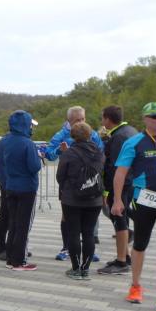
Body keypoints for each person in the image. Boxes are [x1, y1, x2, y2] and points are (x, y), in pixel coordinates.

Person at [111, 102, 156, 310]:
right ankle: (135, 286)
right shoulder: (134, 142)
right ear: (145, 119)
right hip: (144, 199)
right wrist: (117, 200)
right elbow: (120, 173)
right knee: (140, 244)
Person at [43, 106, 104, 261]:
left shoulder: (93, 134)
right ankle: (66, 248)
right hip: (70, 183)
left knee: (90, 217)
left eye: (83, 119)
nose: (81, 122)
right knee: (67, 216)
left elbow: (102, 153)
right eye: (77, 120)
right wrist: (60, 151)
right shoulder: (61, 135)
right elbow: (49, 154)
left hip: (90, 181)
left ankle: (89, 250)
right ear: (69, 120)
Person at [56, 123, 105, 279]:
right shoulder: (99, 152)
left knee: (74, 233)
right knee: (89, 233)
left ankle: (76, 268)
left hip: (72, 199)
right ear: (90, 135)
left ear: (72, 136)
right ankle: (86, 268)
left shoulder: (69, 153)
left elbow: (60, 177)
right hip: (94, 199)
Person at [0, 110, 41, 271]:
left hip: (10, 186)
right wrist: (38, 157)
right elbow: (34, 167)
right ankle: (19, 261)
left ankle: (10, 257)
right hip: (26, 187)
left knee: (12, 223)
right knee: (23, 225)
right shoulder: (28, 143)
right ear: (25, 125)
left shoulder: (5, 141)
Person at [97, 105, 137, 275]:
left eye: (102, 118)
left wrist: (108, 192)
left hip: (121, 185)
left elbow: (114, 167)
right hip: (131, 182)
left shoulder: (118, 137)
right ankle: (125, 256)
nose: (102, 121)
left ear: (107, 119)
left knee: (119, 220)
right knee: (123, 219)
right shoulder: (131, 131)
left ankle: (121, 262)